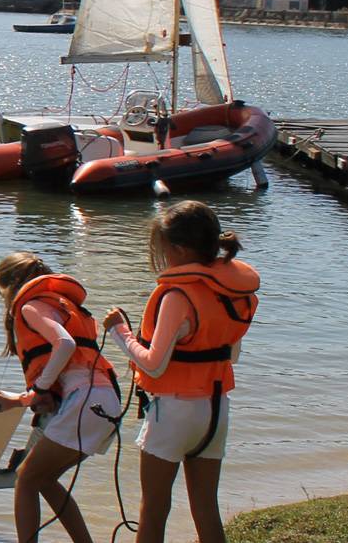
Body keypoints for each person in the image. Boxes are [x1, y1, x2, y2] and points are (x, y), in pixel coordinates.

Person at [103, 200, 260, 543]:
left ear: (179, 249)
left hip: (174, 411)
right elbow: (231, 355)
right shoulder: (231, 292)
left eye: (162, 248)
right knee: (205, 507)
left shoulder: (177, 296)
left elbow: (154, 364)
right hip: (216, 409)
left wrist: (120, 332)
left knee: (154, 508)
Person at [0, 252, 122, 543]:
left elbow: (65, 344)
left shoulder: (31, 306)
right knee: (44, 480)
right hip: (107, 401)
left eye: (2, 293)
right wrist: (30, 397)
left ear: (11, 286)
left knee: (25, 479)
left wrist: (38, 391)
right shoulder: (60, 304)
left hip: (84, 401)